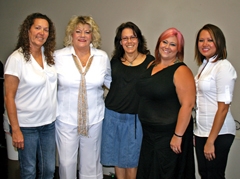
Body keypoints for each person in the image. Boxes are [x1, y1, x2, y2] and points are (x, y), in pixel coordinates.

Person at [54, 16, 111, 179]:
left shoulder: (102, 57)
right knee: (66, 164)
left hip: (94, 120)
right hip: (66, 120)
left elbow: (110, 82)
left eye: (87, 32)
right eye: (78, 31)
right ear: (71, 34)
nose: (82, 35)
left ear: (93, 36)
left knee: (91, 164)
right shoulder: (58, 56)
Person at [135, 27, 196, 179]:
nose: (167, 47)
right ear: (159, 43)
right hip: (150, 135)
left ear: (179, 49)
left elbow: (188, 105)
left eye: (173, 44)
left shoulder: (181, 71)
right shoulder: (152, 65)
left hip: (170, 136)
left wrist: (178, 135)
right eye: (165, 42)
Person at [4, 13, 57, 179]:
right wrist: (16, 129)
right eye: (37, 28)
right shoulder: (16, 59)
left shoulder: (49, 56)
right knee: (29, 171)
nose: (42, 32)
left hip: (48, 123)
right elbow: (9, 97)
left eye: (46, 29)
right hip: (27, 126)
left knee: (49, 170)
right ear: (28, 30)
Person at [101, 22, 154, 179]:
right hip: (112, 117)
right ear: (120, 41)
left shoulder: (150, 62)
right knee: (117, 161)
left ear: (139, 39)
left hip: (135, 120)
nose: (129, 41)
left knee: (132, 163)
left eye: (133, 37)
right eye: (125, 38)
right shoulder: (114, 62)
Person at [194, 24, 237, 179]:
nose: (205, 44)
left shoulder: (223, 67)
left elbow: (223, 108)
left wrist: (210, 141)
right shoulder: (203, 67)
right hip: (202, 132)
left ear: (219, 42)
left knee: (214, 175)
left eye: (210, 40)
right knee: (205, 174)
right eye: (201, 40)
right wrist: (198, 132)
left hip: (220, 133)